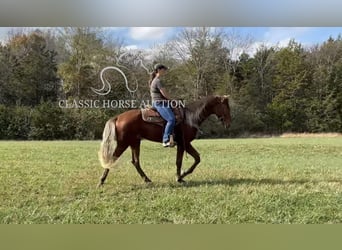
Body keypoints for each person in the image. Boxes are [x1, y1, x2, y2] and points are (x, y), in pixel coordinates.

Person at [149, 64, 176, 147]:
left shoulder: (155, 80)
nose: (165, 71)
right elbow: (164, 93)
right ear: (159, 70)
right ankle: (165, 140)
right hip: (159, 103)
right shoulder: (157, 81)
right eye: (164, 70)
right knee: (171, 119)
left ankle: (173, 137)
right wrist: (172, 99)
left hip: (160, 102)